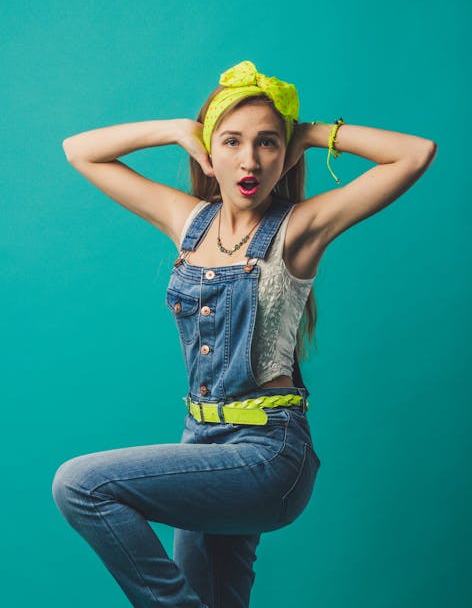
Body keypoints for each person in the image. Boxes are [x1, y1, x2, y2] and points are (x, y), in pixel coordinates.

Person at [52, 59, 437, 607]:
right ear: (210, 154)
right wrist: (179, 131)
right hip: (202, 442)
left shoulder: (300, 229)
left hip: (268, 454)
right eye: (231, 142)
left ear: (285, 154)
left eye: (267, 144)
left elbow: (415, 153)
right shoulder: (188, 222)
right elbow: (80, 150)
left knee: (80, 484)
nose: (249, 160)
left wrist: (311, 133)